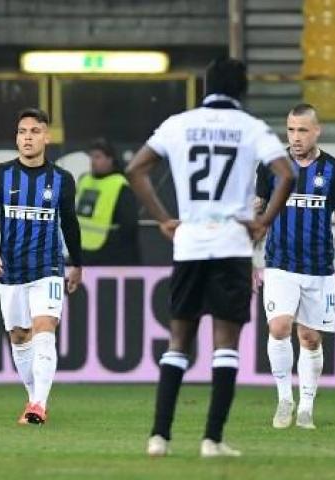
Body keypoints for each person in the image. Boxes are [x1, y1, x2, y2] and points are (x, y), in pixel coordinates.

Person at [126, 57, 295, 458]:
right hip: (232, 245)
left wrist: (165, 219)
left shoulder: (178, 124)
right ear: (242, 90)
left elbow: (135, 169)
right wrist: (264, 221)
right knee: (226, 344)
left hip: (190, 244)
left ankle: (159, 437)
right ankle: (211, 440)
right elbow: (287, 174)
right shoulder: (251, 128)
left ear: (205, 87)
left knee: (179, 341)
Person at [0, 107, 83, 425]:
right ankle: (33, 398)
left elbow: (71, 225)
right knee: (20, 336)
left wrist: (76, 263)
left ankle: (38, 404)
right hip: (11, 271)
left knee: (45, 327)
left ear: (46, 137)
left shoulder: (61, 180)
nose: (27, 137)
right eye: (23, 132)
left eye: (35, 131)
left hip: (48, 267)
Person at [256, 103, 335, 430]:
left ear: (317, 131)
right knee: (279, 327)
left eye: (302, 130)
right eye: (290, 130)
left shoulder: (334, 170)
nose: (295, 137)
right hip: (280, 263)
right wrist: (245, 256)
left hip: (319, 267)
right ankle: (285, 399)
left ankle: (306, 408)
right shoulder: (272, 166)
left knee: (310, 338)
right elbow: (257, 212)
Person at [76, 138, 141, 266]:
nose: (93, 162)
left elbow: (128, 225)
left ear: (110, 160)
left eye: (98, 157)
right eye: (91, 157)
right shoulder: (84, 180)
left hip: (108, 253)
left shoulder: (120, 185)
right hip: (82, 250)